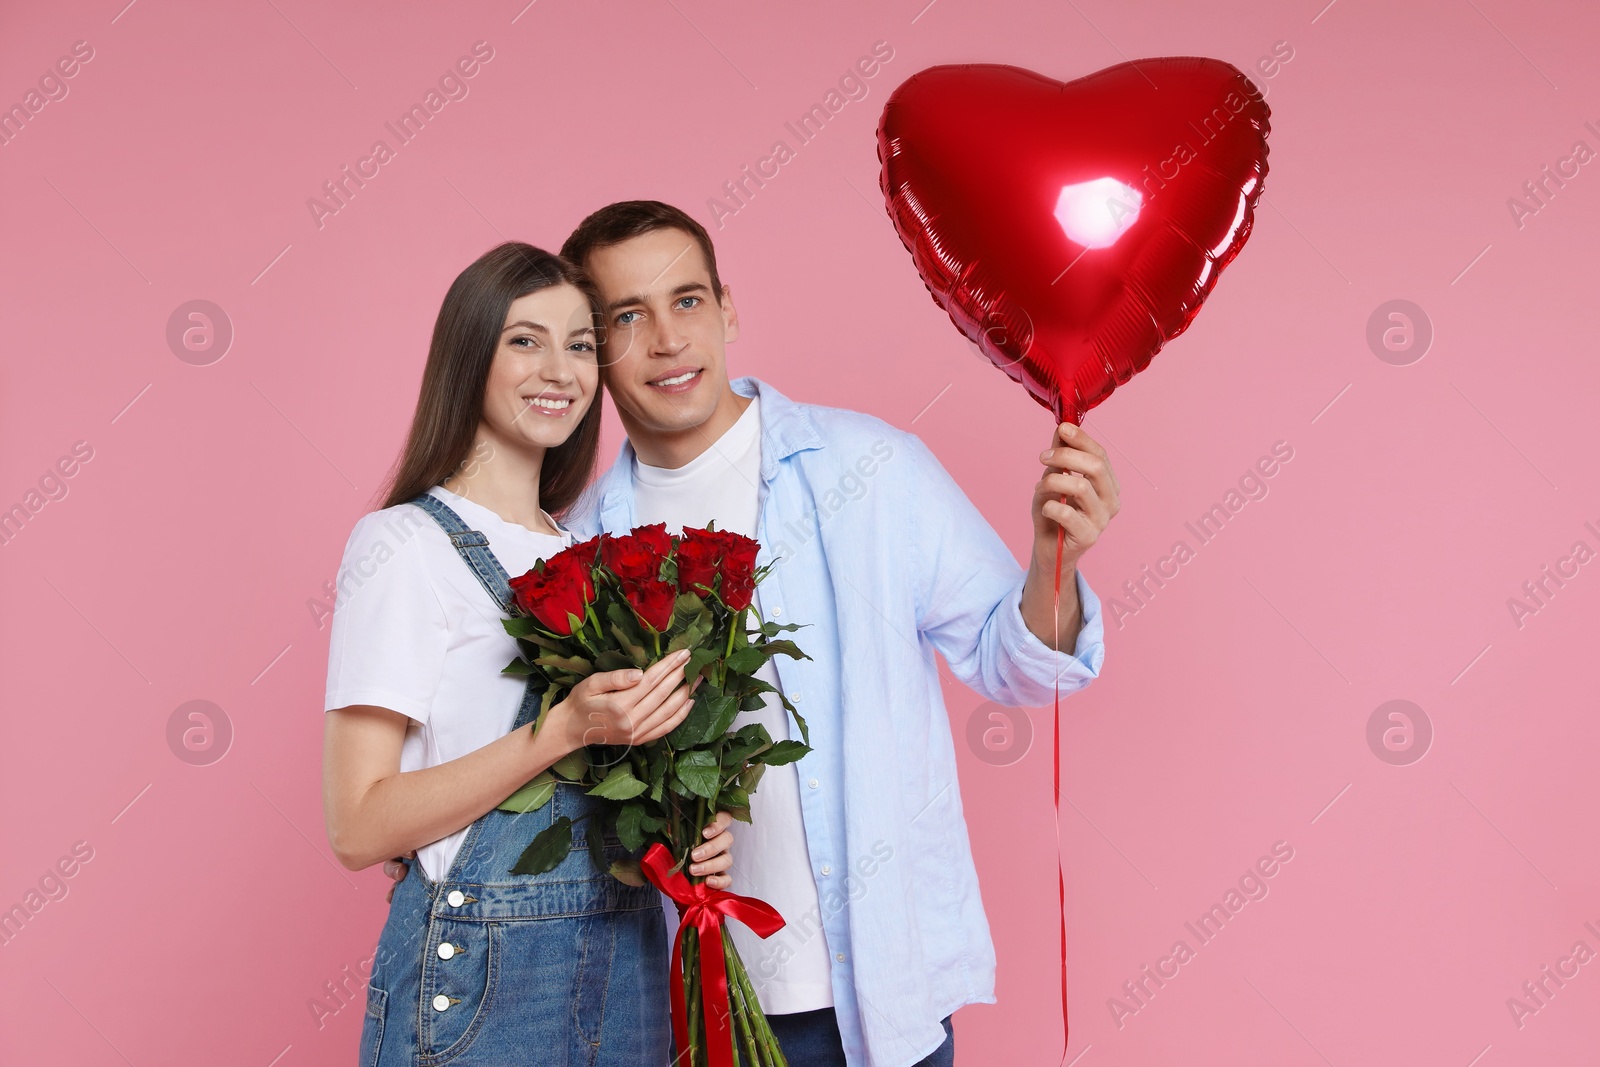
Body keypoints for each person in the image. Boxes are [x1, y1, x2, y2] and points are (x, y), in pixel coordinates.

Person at [558, 201, 1118, 1067]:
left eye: (688, 300)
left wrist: (1055, 558)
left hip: (880, 1000)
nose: (669, 339)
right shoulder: (581, 550)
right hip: (692, 1011)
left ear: (728, 308)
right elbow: (577, 787)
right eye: (627, 318)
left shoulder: (872, 467)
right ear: (592, 351)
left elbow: (1016, 665)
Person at [320, 242, 737, 1066]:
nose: (561, 370)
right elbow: (358, 824)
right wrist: (560, 731)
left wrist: (683, 834)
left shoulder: (595, 552)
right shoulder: (405, 545)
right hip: (485, 985)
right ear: (469, 354)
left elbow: (608, 804)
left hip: (626, 973)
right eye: (525, 340)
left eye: (581, 343)